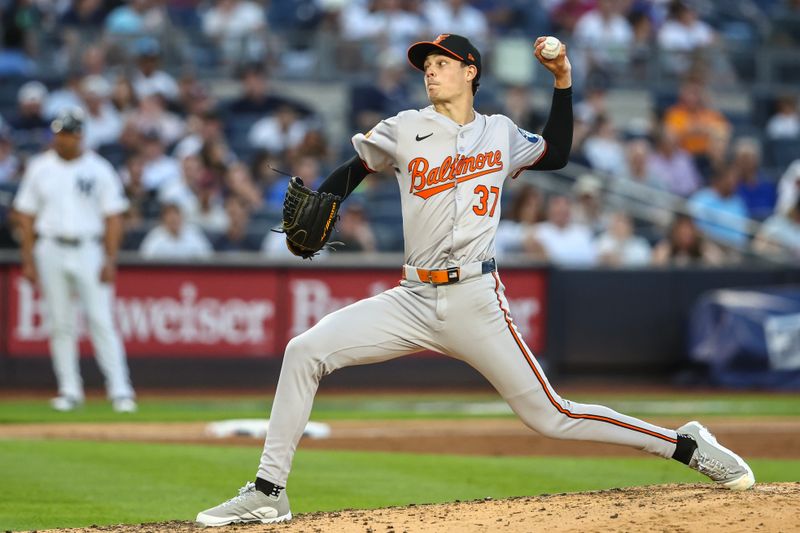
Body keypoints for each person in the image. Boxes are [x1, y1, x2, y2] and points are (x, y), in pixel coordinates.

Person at [196, 33, 755, 527]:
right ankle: (269, 492)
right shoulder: (405, 127)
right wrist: (328, 198)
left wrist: (562, 81)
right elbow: (356, 167)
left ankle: (684, 446)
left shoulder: (500, 132)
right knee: (305, 350)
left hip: (475, 298)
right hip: (412, 296)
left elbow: (556, 153)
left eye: (440, 62)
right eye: (425, 65)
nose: (429, 71)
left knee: (551, 417)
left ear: (470, 72)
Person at [12, 107, 137, 413]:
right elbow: (25, 215)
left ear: (80, 134)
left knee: (101, 320)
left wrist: (110, 258)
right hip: (51, 247)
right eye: (58, 133)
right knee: (60, 323)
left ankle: (120, 390)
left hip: (89, 248)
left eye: (66, 133)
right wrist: (27, 259)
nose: (61, 139)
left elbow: (114, 217)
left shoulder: (99, 169)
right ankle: (70, 390)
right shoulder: (40, 167)